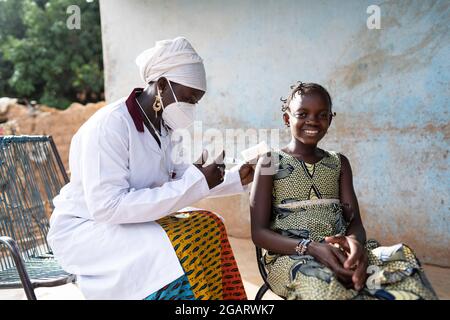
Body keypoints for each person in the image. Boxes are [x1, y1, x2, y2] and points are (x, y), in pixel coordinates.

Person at [47, 37, 253, 300]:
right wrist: (197, 180)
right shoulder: (110, 126)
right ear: (163, 85)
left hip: (127, 222)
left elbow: (180, 178)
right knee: (176, 248)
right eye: (189, 99)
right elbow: (106, 206)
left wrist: (235, 177)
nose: (191, 109)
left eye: (196, 102)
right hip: (87, 230)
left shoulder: (163, 125)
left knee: (210, 225)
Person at [249, 81, 438, 300]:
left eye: (322, 115)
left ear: (330, 119)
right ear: (286, 119)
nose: (312, 120)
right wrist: (311, 248)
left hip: (342, 252)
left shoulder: (339, 163)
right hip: (293, 256)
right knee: (325, 288)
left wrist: (356, 247)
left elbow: (354, 220)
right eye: (302, 113)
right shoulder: (270, 162)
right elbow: (259, 233)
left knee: (402, 260)